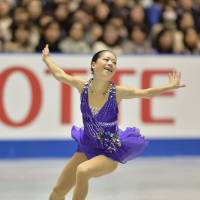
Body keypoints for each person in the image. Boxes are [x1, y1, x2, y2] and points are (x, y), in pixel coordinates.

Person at [42, 44, 185, 200]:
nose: (111, 63)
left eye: (114, 62)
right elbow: (60, 74)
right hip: (86, 147)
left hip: (109, 152)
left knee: (82, 171)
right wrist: (47, 59)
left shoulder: (117, 93)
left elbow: (146, 93)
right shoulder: (82, 86)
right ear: (93, 64)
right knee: (57, 192)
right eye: (106, 59)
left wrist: (168, 86)